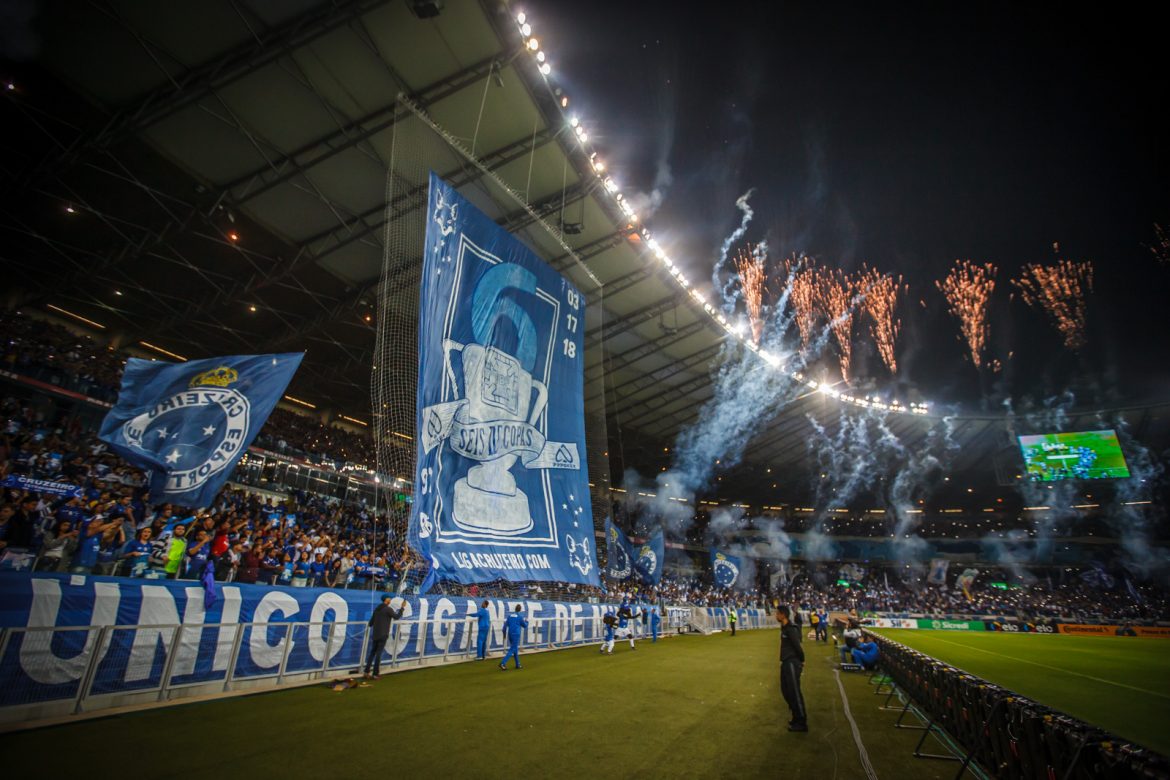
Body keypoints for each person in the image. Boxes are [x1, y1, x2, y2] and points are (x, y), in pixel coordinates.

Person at [776, 605, 807, 732]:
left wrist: (802, 660)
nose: (776, 615)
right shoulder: (784, 628)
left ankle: (801, 722)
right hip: (785, 663)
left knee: (794, 692)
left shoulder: (791, 629)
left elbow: (797, 646)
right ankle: (795, 716)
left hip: (792, 663)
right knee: (786, 691)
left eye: (777, 613)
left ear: (783, 614)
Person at [364, 595, 404, 679]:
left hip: (375, 634)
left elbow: (370, 623)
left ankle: (366, 672)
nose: (390, 599)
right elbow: (396, 617)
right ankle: (375, 674)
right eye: (389, 598)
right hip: (383, 634)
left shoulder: (377, 609)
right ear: (386, 600)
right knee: (378, 653)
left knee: (372, 653)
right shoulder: (388, 609)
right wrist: (402, 608)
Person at [499, 604, 528, 670]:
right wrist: (527, 621)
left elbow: (504, 627)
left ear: (515, 609)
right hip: (516, 634)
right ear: (520, 610)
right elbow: (525, 626)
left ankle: (518, 664)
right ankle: (503, 663)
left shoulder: (509, 616)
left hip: (510, 634)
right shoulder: (520, 617)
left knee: (515, 649)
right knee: (512, 649)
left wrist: (504, 634)